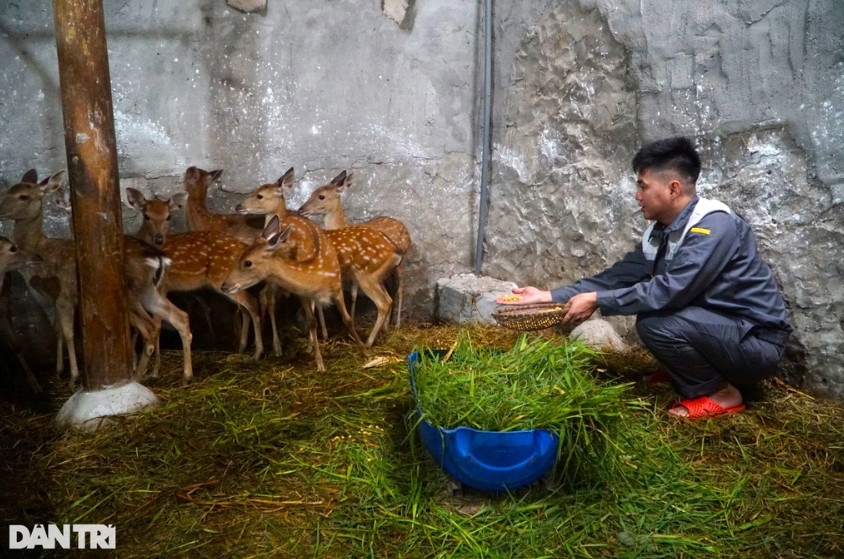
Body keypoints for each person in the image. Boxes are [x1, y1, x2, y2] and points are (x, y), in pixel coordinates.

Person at [497, 137, 792, 420]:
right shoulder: (661, 231)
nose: (637, 196)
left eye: (642, 186)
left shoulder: (713, 225)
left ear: (673, 189)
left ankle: (720, 392)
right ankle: (688, 372)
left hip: (754, 341)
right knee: (655, 318)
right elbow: (617, 277)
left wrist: (598, 301)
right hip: (721, 331)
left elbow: (672, 290)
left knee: (655, 322)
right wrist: (549, 295)